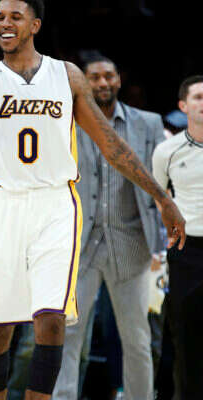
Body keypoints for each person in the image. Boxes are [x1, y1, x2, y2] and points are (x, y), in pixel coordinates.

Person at [0, 1, 186, 399]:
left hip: (56, 205)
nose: (5, 23)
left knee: (52, 319)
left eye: (15, 17)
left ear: (35, 25)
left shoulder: (66, 76)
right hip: (4, 203)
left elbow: (110, 143)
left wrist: (160, 197)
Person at [52, 55, 165, 400]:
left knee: (137, 338)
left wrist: (159, 243)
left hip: (131, 243)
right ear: (82, 82)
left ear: (118, 80)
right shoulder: (64, 123)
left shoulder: (148, 123)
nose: (102, 83)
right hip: (78, 246)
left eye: (108, 76)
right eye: (95, 77)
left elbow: (161, 184)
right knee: (67, 336)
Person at [152, 75, 203, 399]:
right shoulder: (166, 151)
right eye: (198, 97)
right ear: (183, 105)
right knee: (187, 342)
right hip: (187, 250)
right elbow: (159, 197)